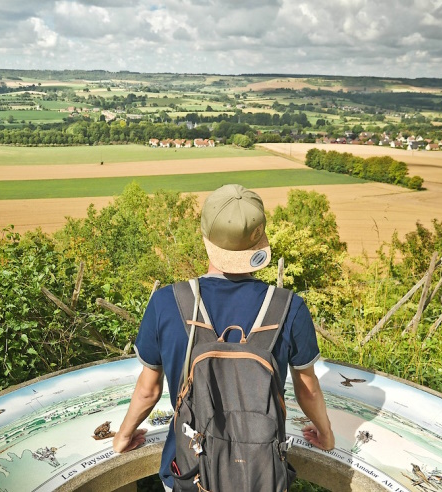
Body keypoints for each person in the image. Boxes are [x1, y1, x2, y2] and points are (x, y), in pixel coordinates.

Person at [113, 184, 334, 490]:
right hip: (262, 472)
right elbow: (307, 389)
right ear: (258, 243)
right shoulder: (288, 307)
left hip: (190, 471)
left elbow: (148, 390)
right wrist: (325, 432)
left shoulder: (167, 302)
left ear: (205, 237)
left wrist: (124, 435)